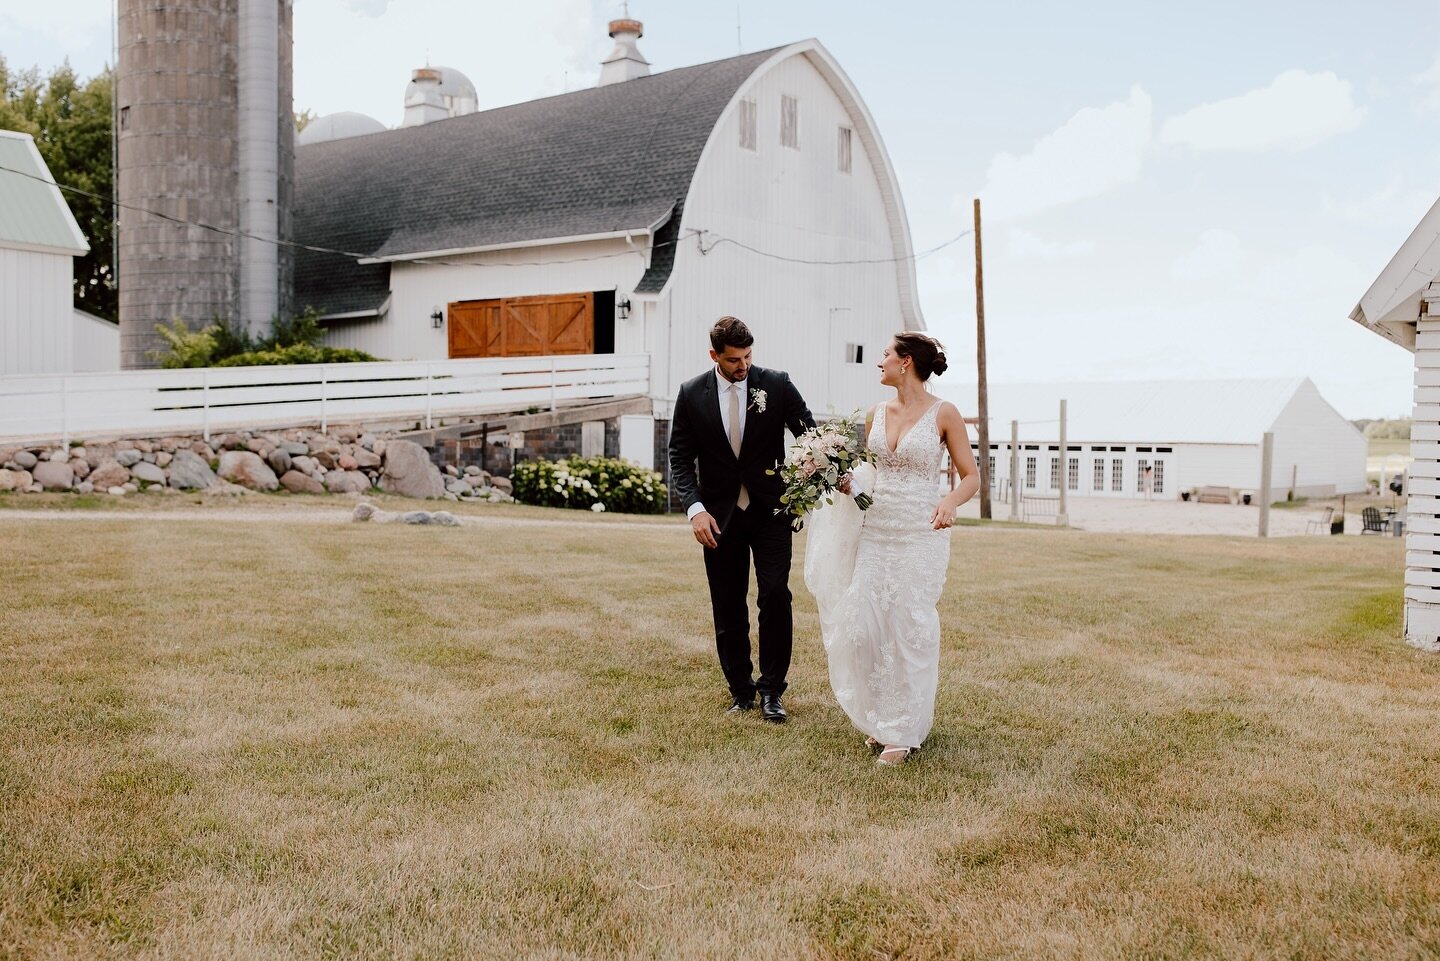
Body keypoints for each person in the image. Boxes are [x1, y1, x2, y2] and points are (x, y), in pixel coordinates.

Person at [811, 332, 980, 766]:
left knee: (909, 628)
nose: (879, 361)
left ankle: (902, 731)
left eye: (885, 354)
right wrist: (842, 480)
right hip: (877, 531)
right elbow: (861, 471)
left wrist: (949, 502)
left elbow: (971, 477)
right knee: (864, 627)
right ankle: (880, 719)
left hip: (921, 531)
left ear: (905, 363)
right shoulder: (874, 414)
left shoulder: (945, 413)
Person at [668, 316, 816, 722]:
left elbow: (810, 436)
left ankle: (772, 691)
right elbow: (679, 458)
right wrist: (695, 509)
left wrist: (806, 476)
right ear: (714, 355)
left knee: (775, 595)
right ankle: (740, 690)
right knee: (728, 603)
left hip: (771, 512)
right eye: (734, 359)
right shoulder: (691, 393)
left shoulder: (777, 383)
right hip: (718, 518)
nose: (744, 365)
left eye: (748, 356)